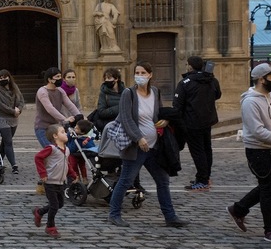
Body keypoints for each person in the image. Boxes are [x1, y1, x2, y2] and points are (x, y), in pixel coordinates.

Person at [107, 61, 187, 228]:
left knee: (163, 181)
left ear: (150, 75)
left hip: (155, 146)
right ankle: (114, 214)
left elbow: (158, 113)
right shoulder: (128, 93)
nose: (140, 76)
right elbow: (126, 119)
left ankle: (170, 216)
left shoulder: (155, 92)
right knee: (125, 181)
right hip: (136, 148)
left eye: (143, 73)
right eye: (137, 73)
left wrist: (164, 121)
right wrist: (138, 138)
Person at [226, 63, 271, 243]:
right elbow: (257, 131)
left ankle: (239, 209)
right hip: (257, 150)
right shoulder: (250, 101)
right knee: (269, 189)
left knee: (269, 185)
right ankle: (270, 229)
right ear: (261, 79)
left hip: (270, 148)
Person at [173, 56, 222, 191]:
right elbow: (218, 95)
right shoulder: (212, 80)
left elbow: (177, 104)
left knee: (198, 152)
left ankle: (202, 180)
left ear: (190, 66)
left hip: (191, 122)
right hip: (207, 120)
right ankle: (205, 176)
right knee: (207, 149)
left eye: (187, 64)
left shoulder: (185, 83)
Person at [33, 124, 76, 238]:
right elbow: (38, 157)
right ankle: (50, 226)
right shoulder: (51, 149)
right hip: (50, 182)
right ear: (55, 136)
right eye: (62, 132)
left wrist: (72, 174)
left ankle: (39, 212)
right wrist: (43, 173)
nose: (65, 133)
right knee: (54, 205)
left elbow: (67, 164)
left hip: (61, 182)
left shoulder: (67, 150)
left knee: (59, 204)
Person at [34, 67, 80, 148]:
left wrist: (79, 116)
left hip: (56, 127)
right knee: (51, 150)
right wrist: (64, 119)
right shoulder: (42, 92)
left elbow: (70, 104)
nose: (60, 79)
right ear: (50, 80)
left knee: (61, 151)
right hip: (43, 128)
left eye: (60, 76)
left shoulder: (60, 91)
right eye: (57, 77)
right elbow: (50, 108)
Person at [0, 69, 25, 174]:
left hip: (14, 118)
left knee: (5, 142)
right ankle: (14, 165)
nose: (3, 79)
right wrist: (13, 111)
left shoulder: (14, 87)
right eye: (1, 78)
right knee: (8, 142)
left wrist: (19, 110)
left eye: (5, 77)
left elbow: (21, 100)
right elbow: (0, 105)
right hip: (1, 118)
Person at [93, 67, 125, 133]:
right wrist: (120, 108)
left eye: (109, 78)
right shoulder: (103, 93)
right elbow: (101, 112)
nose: (107, 80)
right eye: (105, 78)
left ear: (116, 79)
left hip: (123, 126)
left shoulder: (125, 92)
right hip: (109, 126)